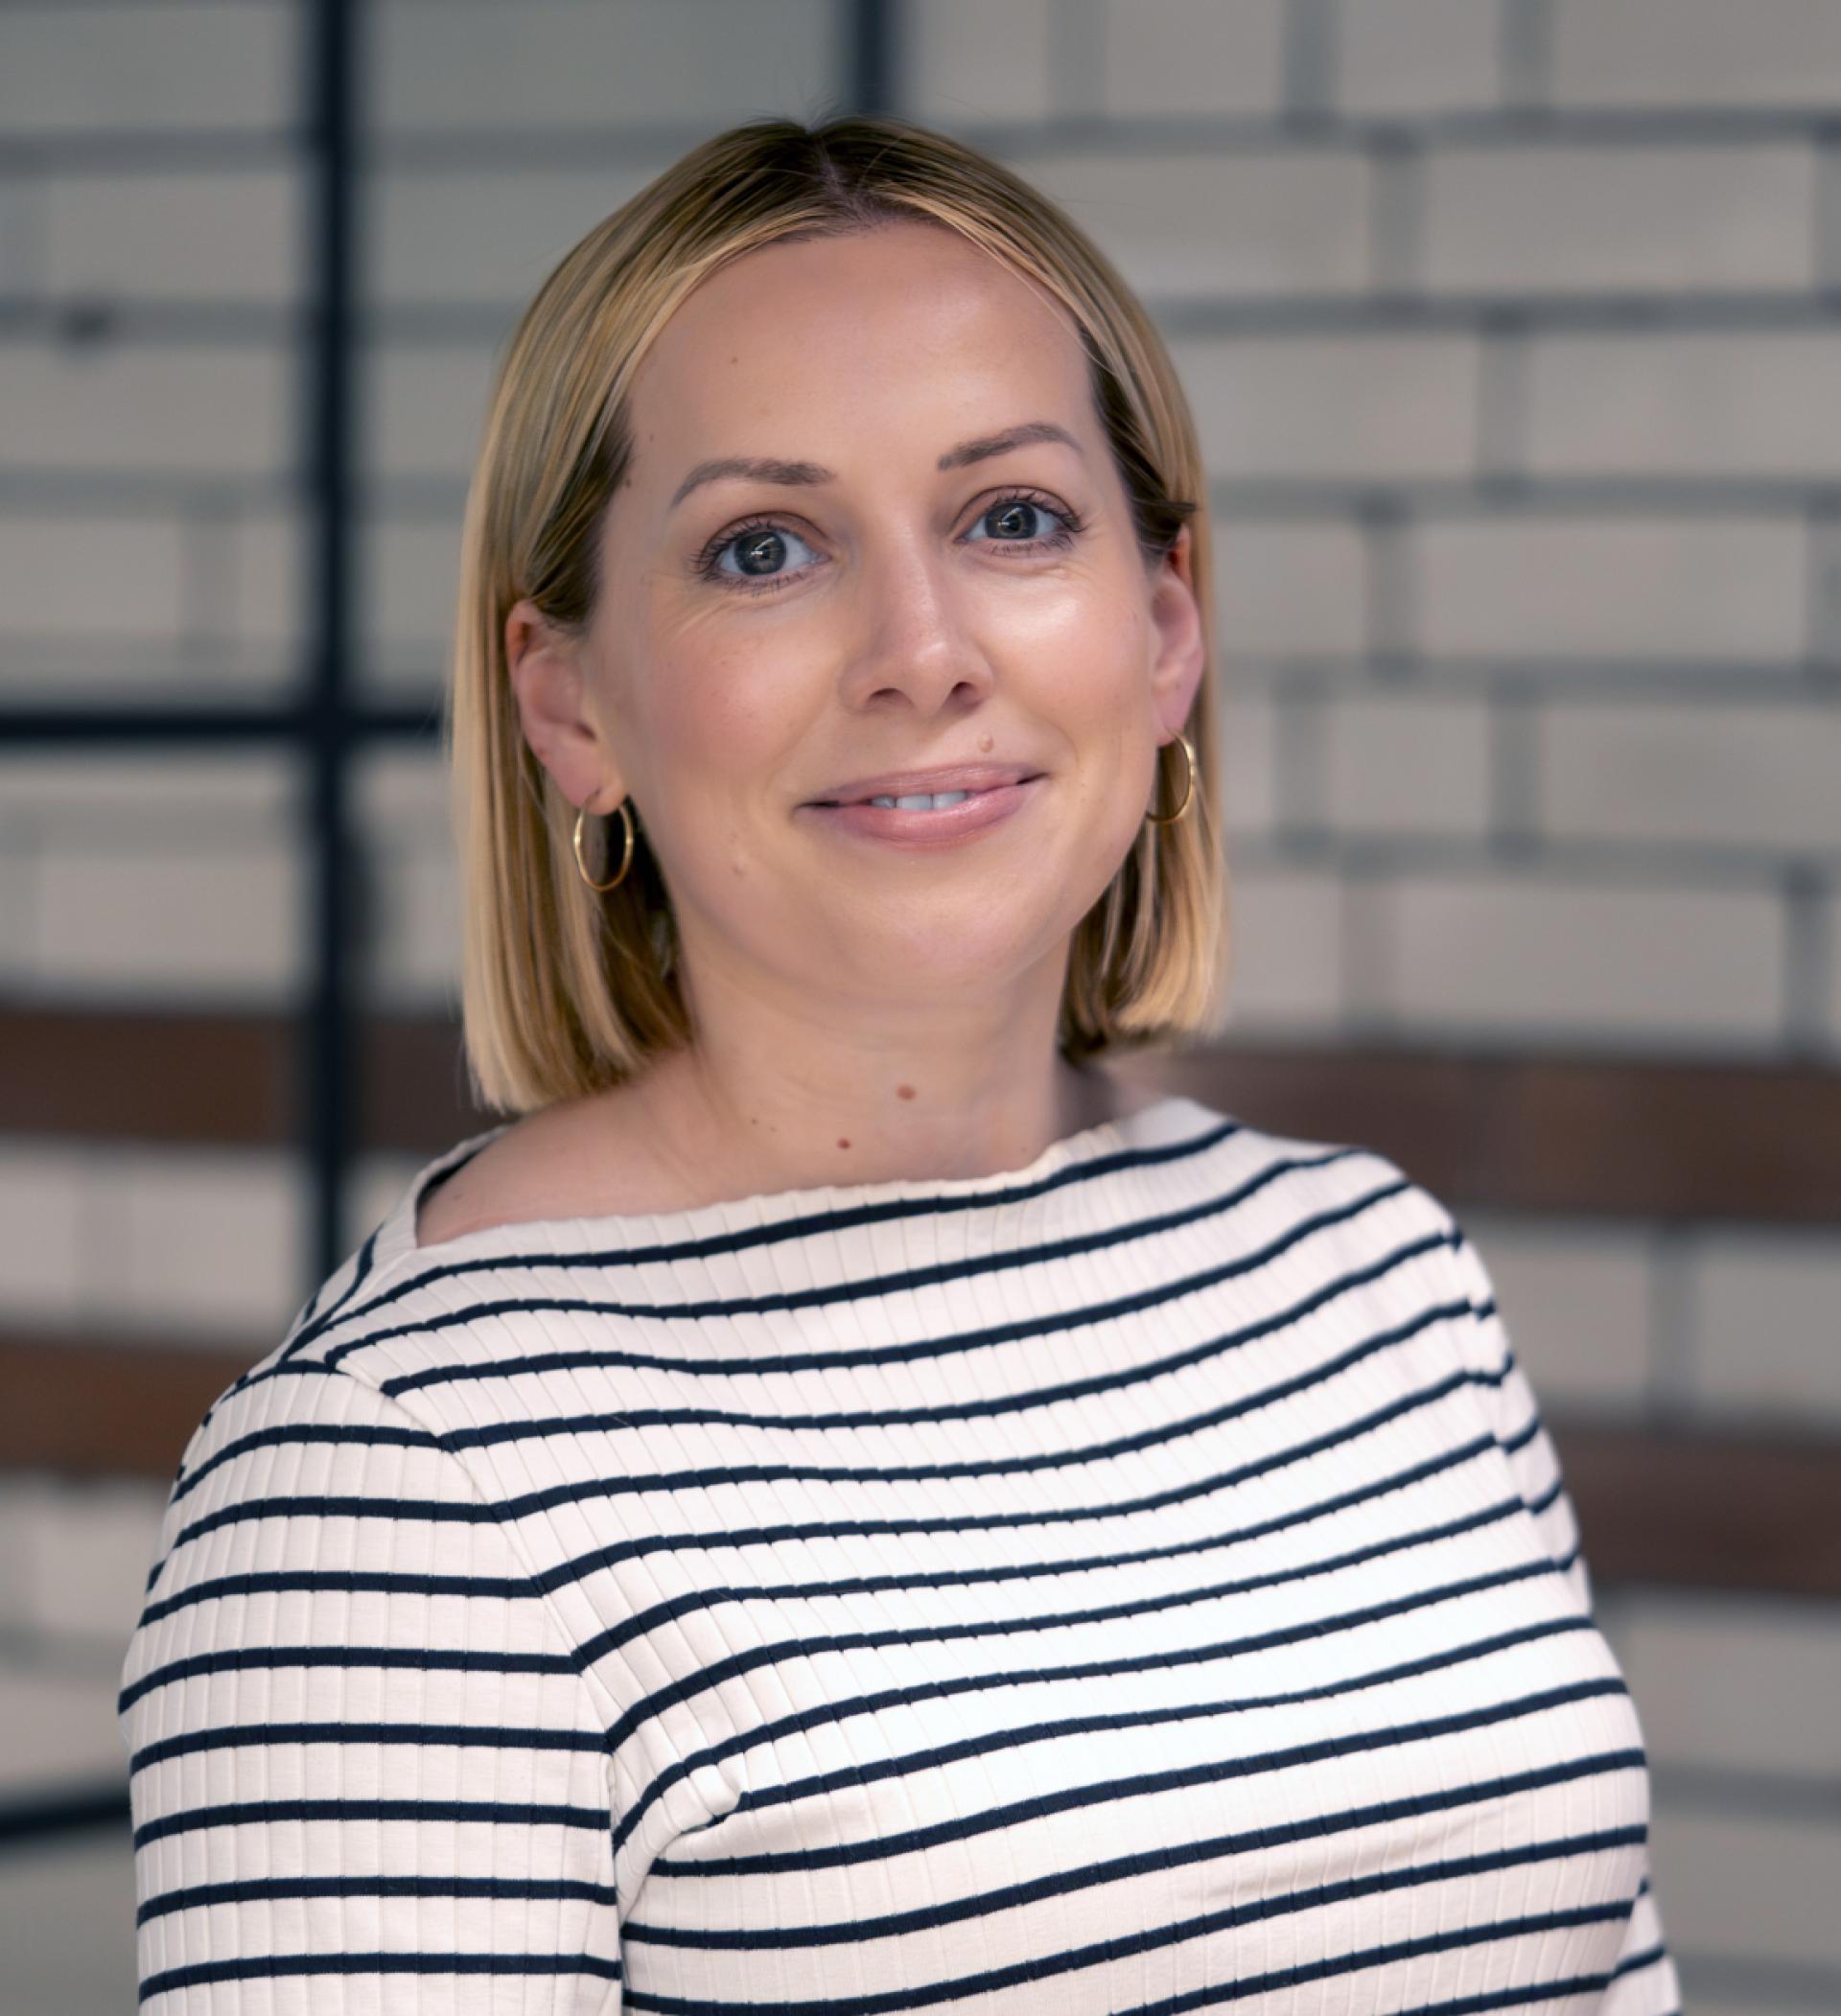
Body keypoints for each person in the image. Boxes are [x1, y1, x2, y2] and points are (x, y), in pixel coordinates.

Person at [118, 114, 1680, 2013]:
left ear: (1165, 626)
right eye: (765, 548)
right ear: (570, 700)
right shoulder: (397, 1484)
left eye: (1012, 516)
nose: (921, 650)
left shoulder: (1375, 1274)